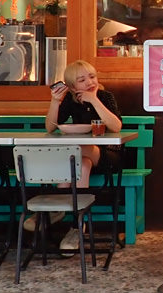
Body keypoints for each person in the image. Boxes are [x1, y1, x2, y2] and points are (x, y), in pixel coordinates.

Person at [44, 59, 123, 250]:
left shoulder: (105, 96)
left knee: (77, 153)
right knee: (83, 163)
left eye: (92, 76)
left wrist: (94, 100)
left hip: (108, 154)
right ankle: (77, 228)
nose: (89, 82)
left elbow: (116, 126)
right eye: (82, 80)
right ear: (72, 86)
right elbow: (50, 128)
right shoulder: (71, 101)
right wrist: (55, 101)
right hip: (82, 157)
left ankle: (56, 203)